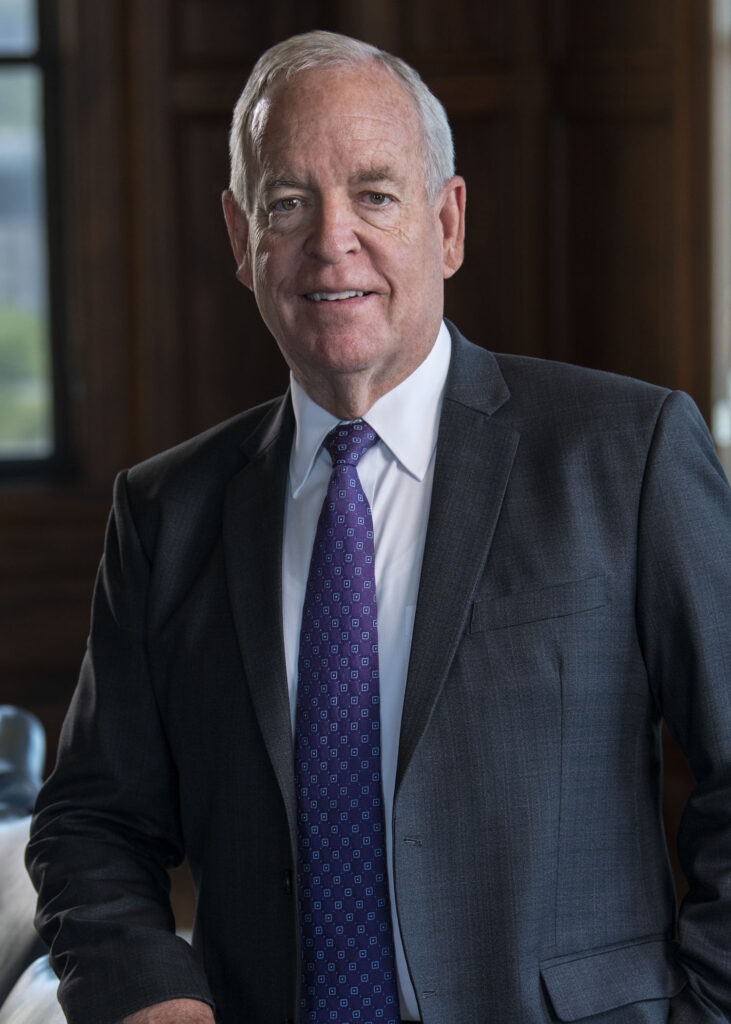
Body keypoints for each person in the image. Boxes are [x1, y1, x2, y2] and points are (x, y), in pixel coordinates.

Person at [27, 29, 731, 1024]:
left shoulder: (626, 453)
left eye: (374, 194)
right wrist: (153, 1000)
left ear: (446, 223)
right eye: (286, 202)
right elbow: (92, 822)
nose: (331, 239)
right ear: (239, 237)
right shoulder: (165, 512)